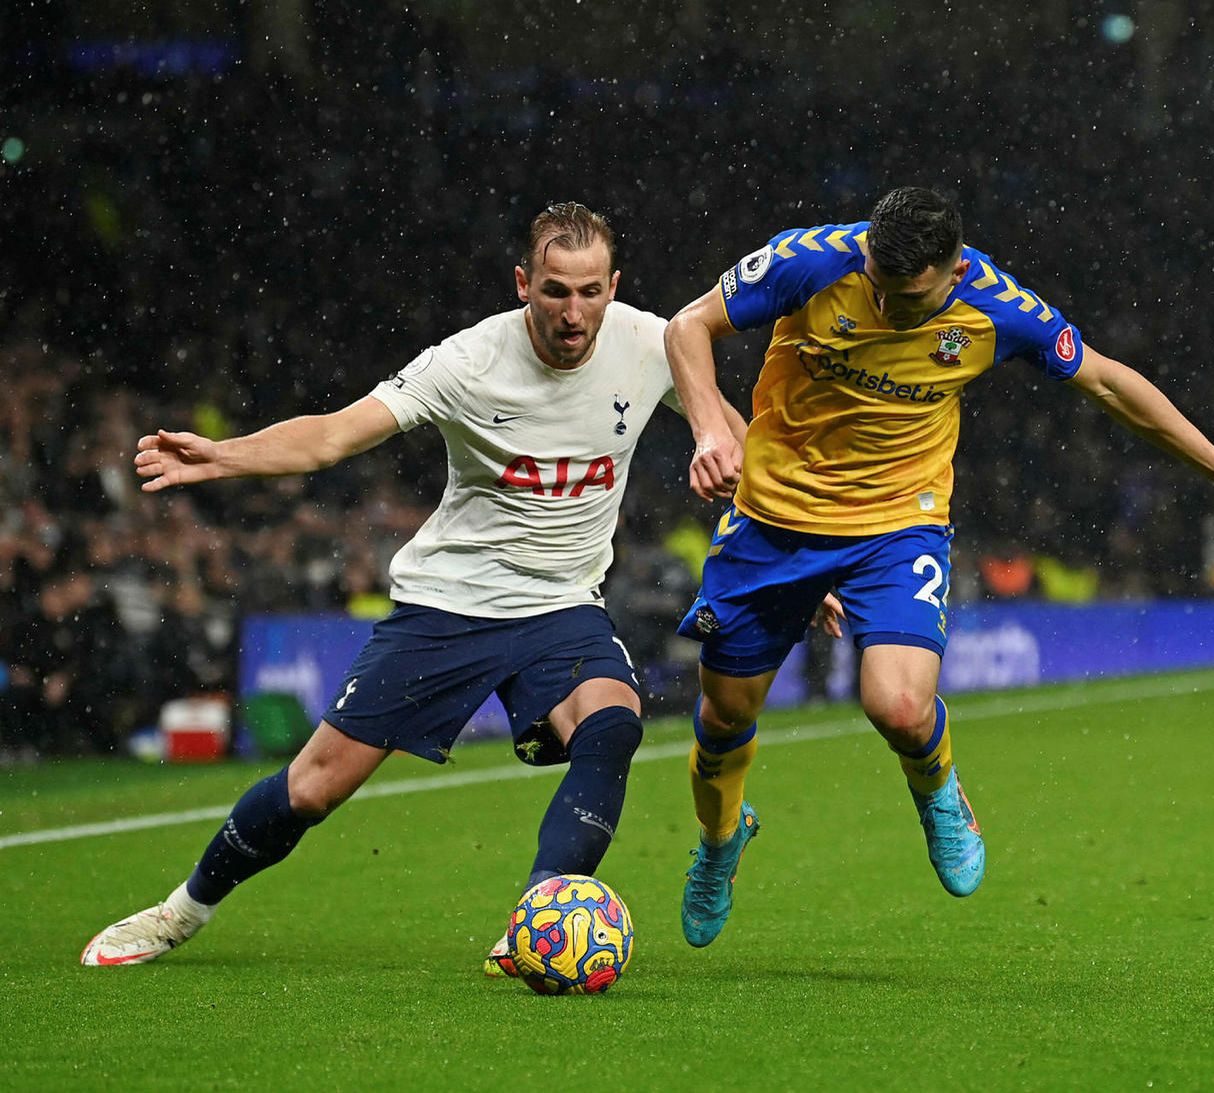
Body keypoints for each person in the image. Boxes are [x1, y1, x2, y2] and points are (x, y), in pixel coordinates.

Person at [81, 202, 745, 972]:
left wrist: (801, 551)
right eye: (556, 291)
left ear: (615, 285)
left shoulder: (651, 343)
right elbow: (332, 434)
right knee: (314, 788)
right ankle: (180, 911)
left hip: (562, 604)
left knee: (613, 724)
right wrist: (223, 456)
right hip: (450, 605)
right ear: (523, 283)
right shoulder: (466, 362)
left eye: (591, 291)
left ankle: (536, 925)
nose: (574, 313)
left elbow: (735, 441)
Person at [663, 186, 1214, 947]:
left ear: (954, 267)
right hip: (773, 518)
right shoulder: (814, 260)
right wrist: (708, 427)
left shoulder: (999, 307)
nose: (894, 311)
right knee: (727, 714)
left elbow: (1103, 380)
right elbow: (687, 326)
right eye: (882, 291)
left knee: (898, 705)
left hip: (896, 525)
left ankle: (939, 791)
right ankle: (721, 842)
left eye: (914, 300)